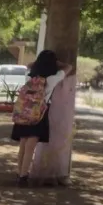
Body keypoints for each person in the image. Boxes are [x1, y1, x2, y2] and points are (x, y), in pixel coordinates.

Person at [11, 50, 72, 186]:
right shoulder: (51, 79)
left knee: (23, 145)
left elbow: (28, 64)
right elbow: (69, 68)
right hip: (38, 115)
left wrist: (37, 62)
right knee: (30, 147)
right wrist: (58, 63)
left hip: (23, 113)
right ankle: (23, 176)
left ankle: (19, 172)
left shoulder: (29, 76)